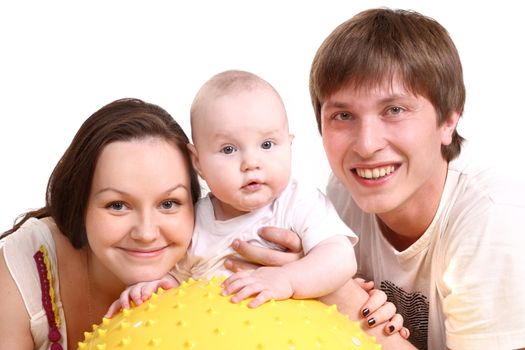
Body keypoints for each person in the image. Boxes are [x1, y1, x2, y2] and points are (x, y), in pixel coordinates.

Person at [228, 8, 525, 350]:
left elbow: (352, 314)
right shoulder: (342, 195)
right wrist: (306, 275)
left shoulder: (495, 215)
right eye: (343, 115)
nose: (367, 146)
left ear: (448, 121)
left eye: (394, 110)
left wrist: (337, 291)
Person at [110, 70, 358, 310]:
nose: (251, 162)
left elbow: (340, 258)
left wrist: (287, 279)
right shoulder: (195, 221)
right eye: (228, 149)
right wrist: (161, 285)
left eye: (267, 144)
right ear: (198, 162)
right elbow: (180, 277)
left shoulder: (299, 202)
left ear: (289, 145)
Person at [0, 98, 201, 350]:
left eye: (169, 203)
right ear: (80, 205)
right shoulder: (27, 266)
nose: (147, 233)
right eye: (117, 205)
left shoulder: (220, 257)